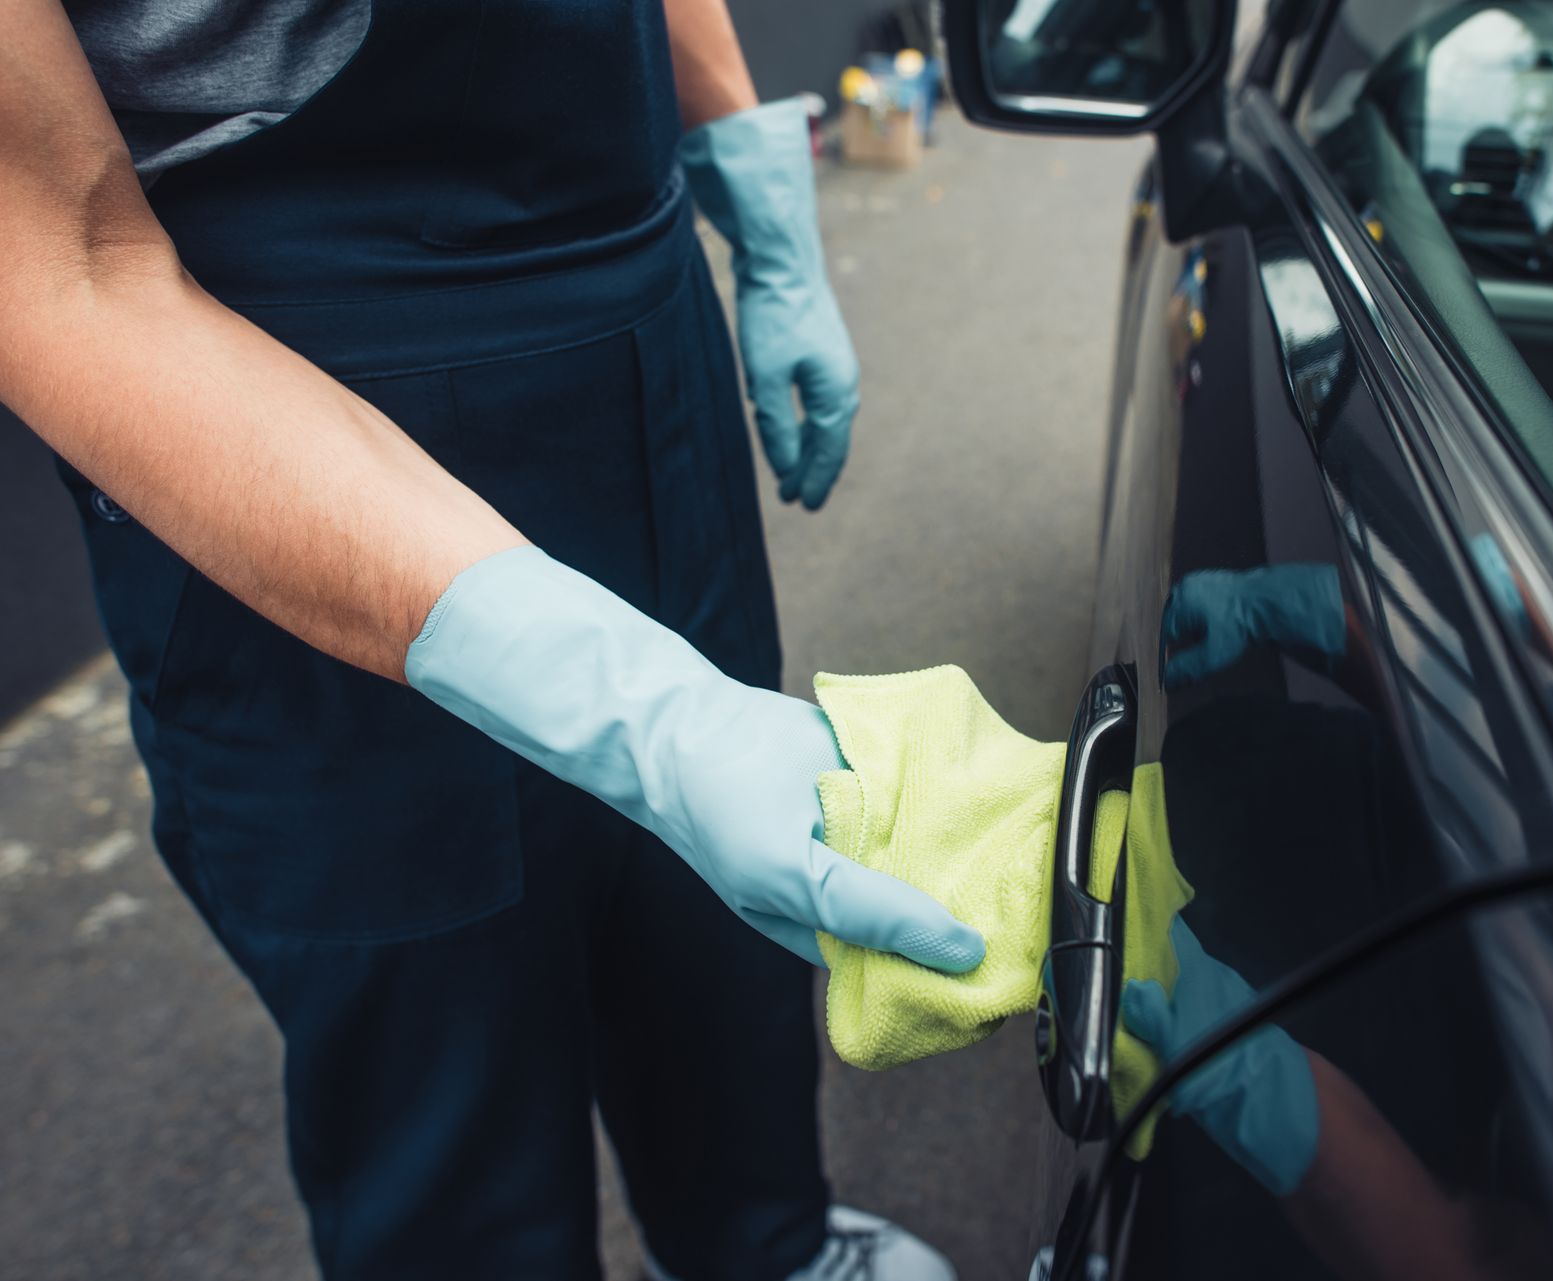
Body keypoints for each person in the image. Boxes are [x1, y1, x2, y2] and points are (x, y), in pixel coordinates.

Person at [0, 2, 985, 1278]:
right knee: (442, 1050)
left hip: (638, 306)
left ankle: (766, 1243)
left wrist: (750, 171)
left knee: (722, 932)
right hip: (290, 392)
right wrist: (649, 716)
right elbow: (64, 272)